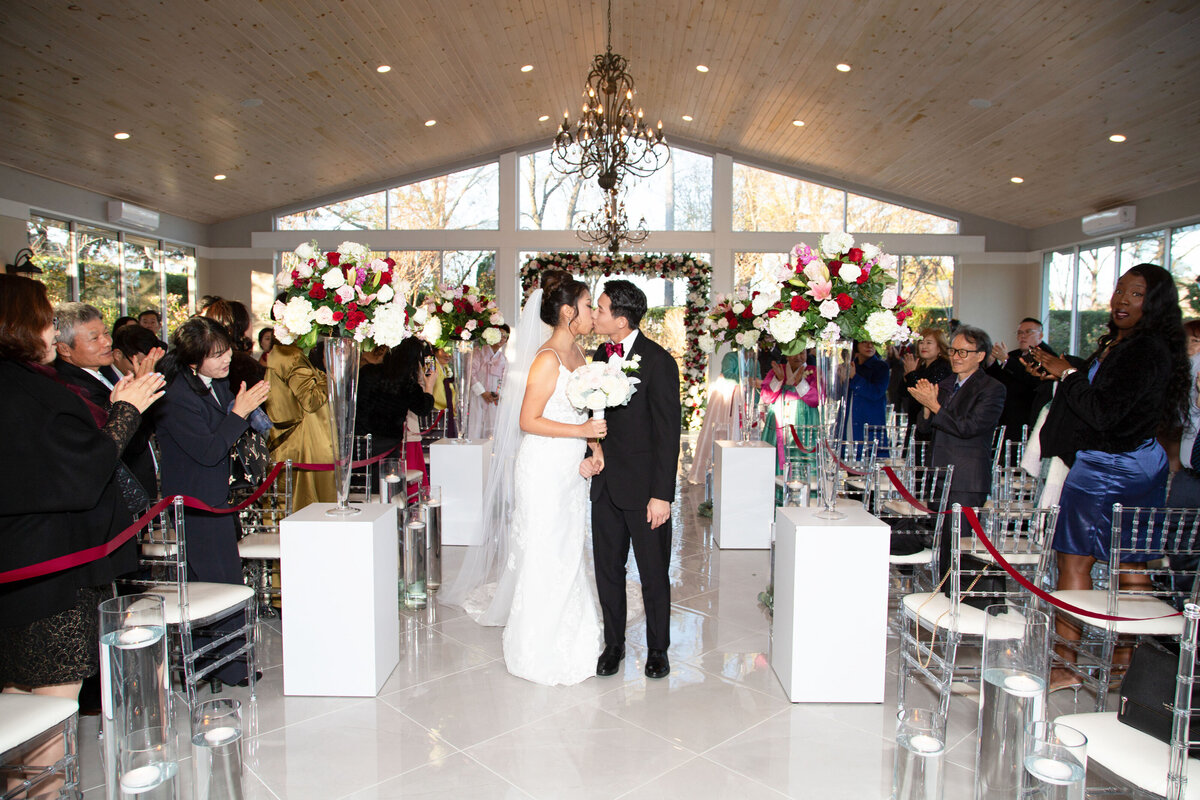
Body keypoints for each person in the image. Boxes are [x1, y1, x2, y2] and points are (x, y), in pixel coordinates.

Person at [0, 275, 163, 794]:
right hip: (51, 568)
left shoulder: (21, 383)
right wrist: (127, 411)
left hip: (17, 567)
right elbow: (82, 470)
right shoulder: (30, 392)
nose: (51, 327)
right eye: (45, 317)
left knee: (16, 693)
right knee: (50, 703)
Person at [1028, 264, 1189, 690]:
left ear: (1152, 303)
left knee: (1075, 559)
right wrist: (1070, 369)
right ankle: (1125, 667)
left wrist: (1068, 375)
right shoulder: (1146, 346)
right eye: (1119, 291)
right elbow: (1116, 396)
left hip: (1107, 467)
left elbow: (1102, 410)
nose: (1121, 300)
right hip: (1143, 460)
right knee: (1131, 560)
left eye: (1135, 294)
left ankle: (1065, 667)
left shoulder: (1141, 350)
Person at [441, 271, 606, 686]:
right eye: (588, 306)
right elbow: (528, 420)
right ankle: (536, 647)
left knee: (570, 549)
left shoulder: (581, 358)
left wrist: (594, 451)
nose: (591, 313)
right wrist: (581, 434)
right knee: (544, 551)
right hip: (544, 468)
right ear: (568, 312)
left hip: (571, 467)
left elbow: (586, 416)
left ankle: (574, 639)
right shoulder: (546, 358)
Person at [156, 317, 270, 687]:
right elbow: (208, 450)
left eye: (227, 351)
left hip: (218, 497)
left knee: (226, 581)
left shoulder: (215, 384)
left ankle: (228, 663)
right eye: (216, 355)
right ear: (193, 360)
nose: (225, 360)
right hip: (195, 501)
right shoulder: (177, 396)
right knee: (214, 584)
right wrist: (238, 413)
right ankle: (223, 666)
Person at [586, 279, 682, 679]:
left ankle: (658, 649)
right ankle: (615, 644)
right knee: (608, 570)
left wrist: (662, 495)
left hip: (645, 492)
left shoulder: (659, 361)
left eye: (601, 308)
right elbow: (593, 413)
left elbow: (668, 432)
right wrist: (591, 452)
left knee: (653, 573)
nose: (594, 314)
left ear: (621, 320)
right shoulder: (598, 354)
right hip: (605, 485)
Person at [910, 324, 1006, 592]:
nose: (956, 356)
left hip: (966, 477)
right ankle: (943, 596)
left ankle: (962, 600)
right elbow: (925, 428)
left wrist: (935, 405)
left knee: (959, 546)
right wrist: (928, 407)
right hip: (939, 473)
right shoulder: (946, 383)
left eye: (964, 352)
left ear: (981, 355)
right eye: (953, 350)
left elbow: (968, 427)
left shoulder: (991, 388)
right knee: (942, 544)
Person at [53, 302, 162, 503]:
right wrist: (141, 391)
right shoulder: (70, 387)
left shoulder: (103, 374)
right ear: (64, 348)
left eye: (105, 333)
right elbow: (122, 440)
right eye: (94, 338)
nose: (106, 342)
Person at [264, 338, 336, 510]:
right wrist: (330, 376)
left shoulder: (280, 353)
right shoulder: (291, 355)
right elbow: (311, 400)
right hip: (304, 444)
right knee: (305, 507)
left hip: (292, 441)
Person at [360, 338, 437, 465]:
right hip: (387, 448)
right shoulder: (407, 384)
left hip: (359, 445)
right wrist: (429, 386)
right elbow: (424, 408)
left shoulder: (367, 372)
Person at [985, 317, 1058, 441]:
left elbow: (1034, 380)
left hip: (1029, 418)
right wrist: (992, 363)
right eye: (1019, 333)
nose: (1022, 336)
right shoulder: (1014, 355)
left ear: (1040, 335)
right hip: (1007, 416)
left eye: (1028, 332)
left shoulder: (1048, 357)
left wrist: (1006, 361)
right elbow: (1000, 381)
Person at [760, 350, 818, 471]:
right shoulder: (778, 370)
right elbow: (766, 397)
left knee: (801, 455)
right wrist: (778, 379)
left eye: (802, 353)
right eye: (794, 353)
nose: (799, 356)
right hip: (778, 421)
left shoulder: (814, 371)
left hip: (804, 421)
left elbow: (816, 399)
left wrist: (800, 383)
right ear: (786, 354)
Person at [901, 328, 953, 442]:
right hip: (914, 422)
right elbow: (905, 394)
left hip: (929, 425)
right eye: (921, 342)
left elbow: (923, 395)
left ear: (939, 347)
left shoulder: (943, 367)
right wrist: (908, 375)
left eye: (929, 343)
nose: (924, 346)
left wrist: (911, 374)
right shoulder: (921, 367)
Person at [467, 324, 509, 439]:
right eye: (500, 334)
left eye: (505, 336)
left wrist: (497, 394)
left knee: (492, 430)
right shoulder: (478, 352)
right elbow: (471, 373)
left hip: (493, 400)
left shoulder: (503, 359)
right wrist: (482, 392)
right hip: (478, 396)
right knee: (475, 426)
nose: (502, 338)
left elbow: (504, 380)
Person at [847, 340, 889, 442]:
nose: (869, 346)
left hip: (870, 420)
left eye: (873, 342)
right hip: (849, 419)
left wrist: (854, 377)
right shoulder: (851, 365)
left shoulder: (881, 367)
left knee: (870, 454)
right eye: (864, 342)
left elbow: (876, 393)